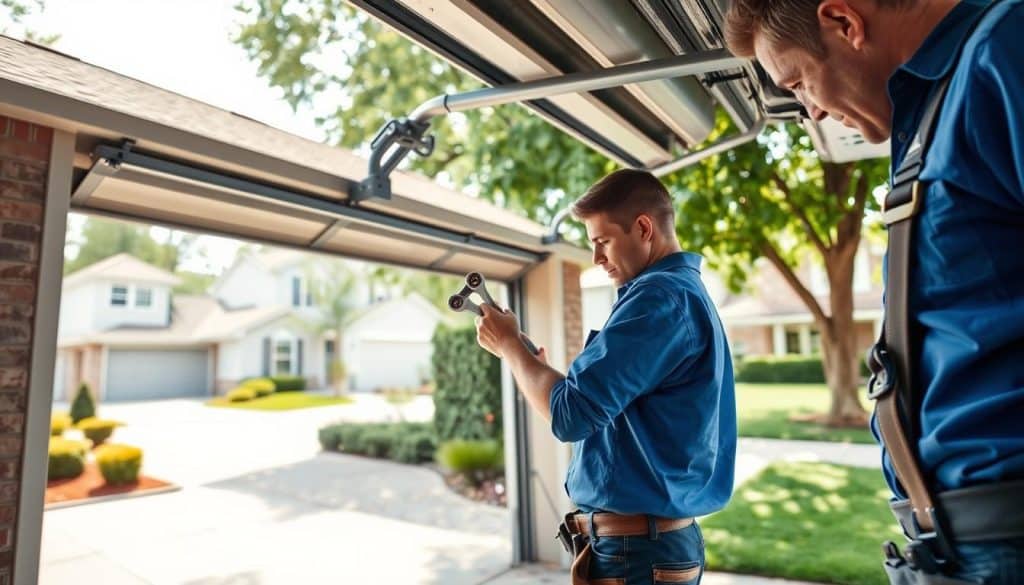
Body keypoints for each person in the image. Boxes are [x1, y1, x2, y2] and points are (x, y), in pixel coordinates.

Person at [724, 1, 1024, 582]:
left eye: (799, 81)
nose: (809, 109)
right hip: (967, 538)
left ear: (844, 22)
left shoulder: (1004, 51)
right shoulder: (931, 110)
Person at [475, 169, 736, 584]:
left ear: (644, 228)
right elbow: (595, 406)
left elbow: (570, 415)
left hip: (637, 554)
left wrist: (508, 347)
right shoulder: (677, 294)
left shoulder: (659, 299)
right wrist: (535, 367)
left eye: (602, 242)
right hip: (642, 548)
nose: (596, 259)